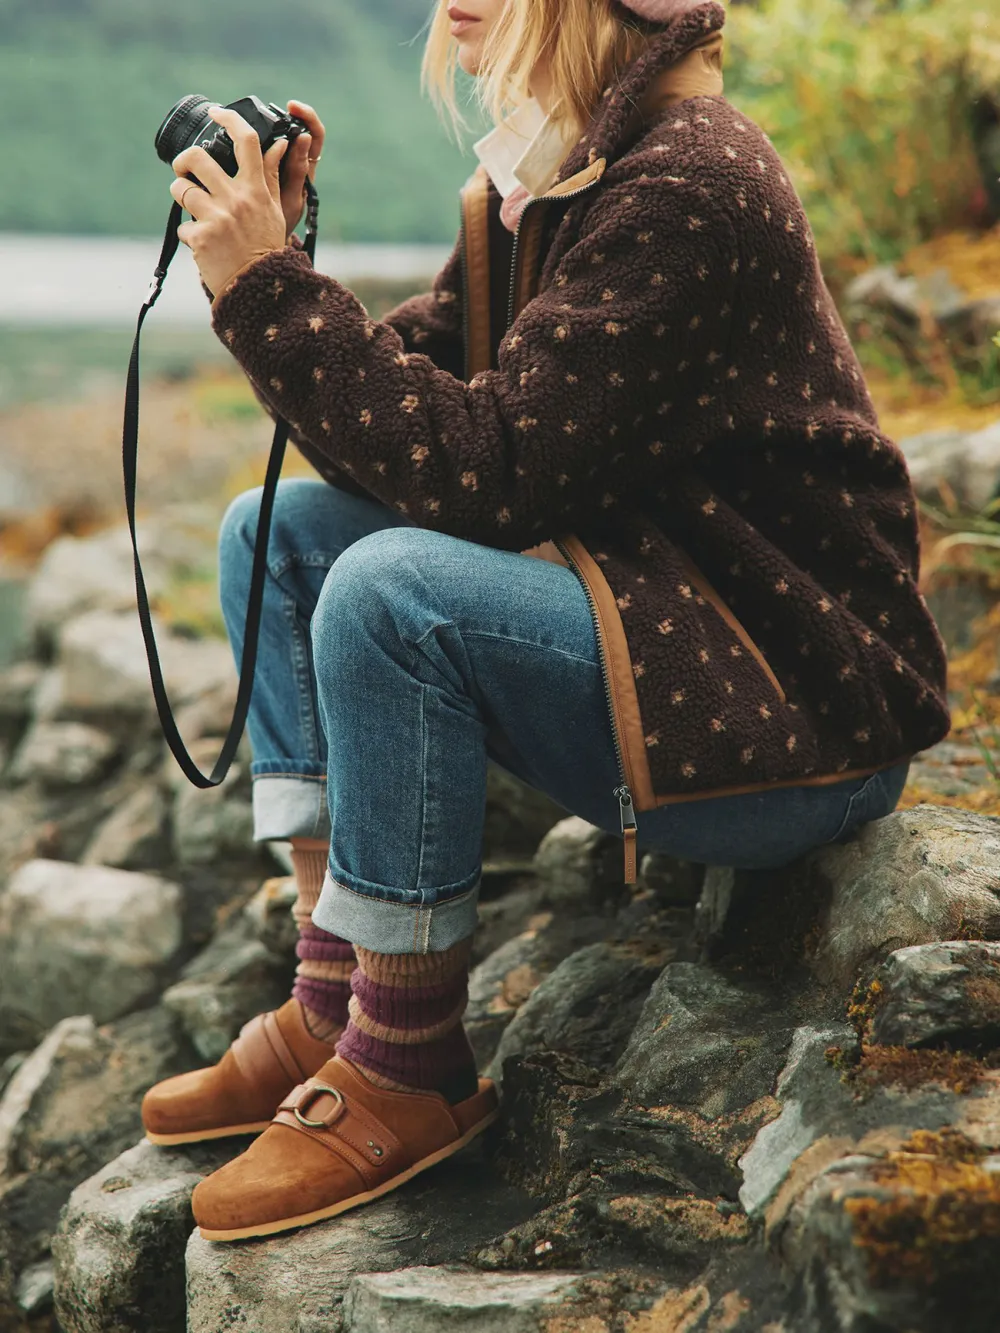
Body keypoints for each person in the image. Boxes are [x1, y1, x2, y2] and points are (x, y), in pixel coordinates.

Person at [141, 0, 949, 1243]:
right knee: (280, 539)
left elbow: (487, 473)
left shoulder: (686, 182)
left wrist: (270, 288)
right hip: (663, 618)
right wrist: (276, 264)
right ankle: (334, 985)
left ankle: (406, 1064)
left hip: (786, 706)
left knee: (389, 591)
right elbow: (419, 410)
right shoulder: (558, 172)